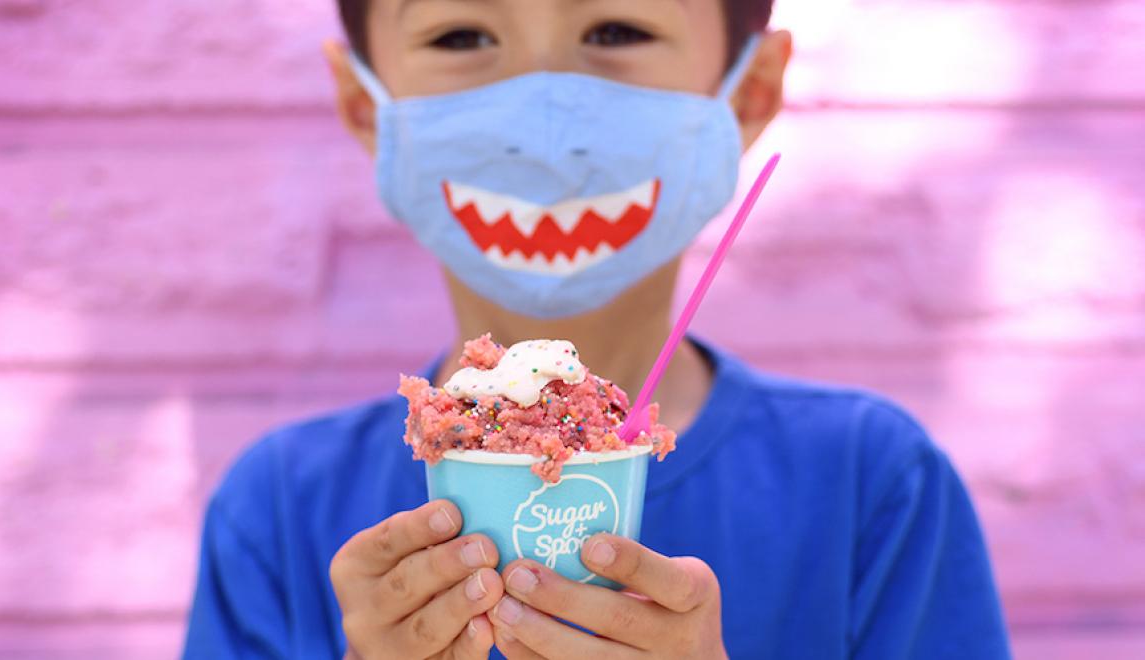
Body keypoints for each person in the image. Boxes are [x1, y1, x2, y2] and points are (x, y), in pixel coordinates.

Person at [183, 0, 1012, 657]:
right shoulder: (281, 509)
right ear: (368, 106)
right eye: (463, 33)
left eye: (617, 28)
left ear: (750, 90)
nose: (544, 124)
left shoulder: (871, 485)